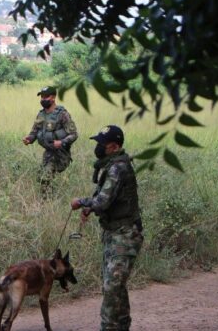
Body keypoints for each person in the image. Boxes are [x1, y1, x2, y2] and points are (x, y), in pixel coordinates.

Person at [71, 125, 143, 331]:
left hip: (126, 234)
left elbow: (102, 202)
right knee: (114, 286)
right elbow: (104, 198)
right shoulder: (111, 165)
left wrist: (82, 203)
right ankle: (120, 326)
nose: (99, 147)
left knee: (112, 286)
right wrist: (89, 208)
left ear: (114, 146)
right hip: (114, 233)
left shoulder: (118, 168)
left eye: (102, 144)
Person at [22, 86, 77, 195]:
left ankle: (46, 202)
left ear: (53, 97)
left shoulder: (62, 114)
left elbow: (74, 134)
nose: (43, 99)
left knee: (45, 177)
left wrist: (62, 142)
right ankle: (50, 200)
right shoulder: (41, 114)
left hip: (60, 154)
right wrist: (29, 139)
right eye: (41, 97)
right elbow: (34, 131)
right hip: (48, 153)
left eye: (46, 97)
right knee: (41, 177)